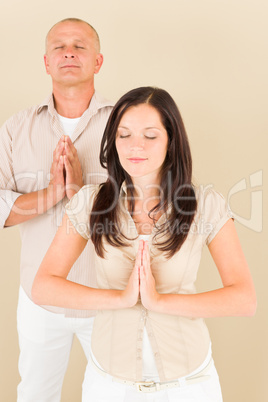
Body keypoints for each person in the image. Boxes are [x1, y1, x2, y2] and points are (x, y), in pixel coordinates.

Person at [32, 86, 257, 402]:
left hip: (190, 385)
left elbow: (244, 299)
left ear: (171, 141)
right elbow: (43, 287)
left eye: (150, 136)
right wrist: (121, 298)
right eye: (124, 135)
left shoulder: (207, 205)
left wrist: (160, 302)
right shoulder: (89, 203)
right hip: (109, 385)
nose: (135, 146)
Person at [0, 18, 113, 401]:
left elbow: (147, 207)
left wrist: (82, 193)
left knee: (114, 393)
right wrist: (50, 194)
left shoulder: (125, 125)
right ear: (46, 62)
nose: (69, 52)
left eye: (80, 46)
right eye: (59, 47)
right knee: (34, 394)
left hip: (108, 296)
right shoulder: (16, 129)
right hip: (39, 298)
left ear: (98, 61)